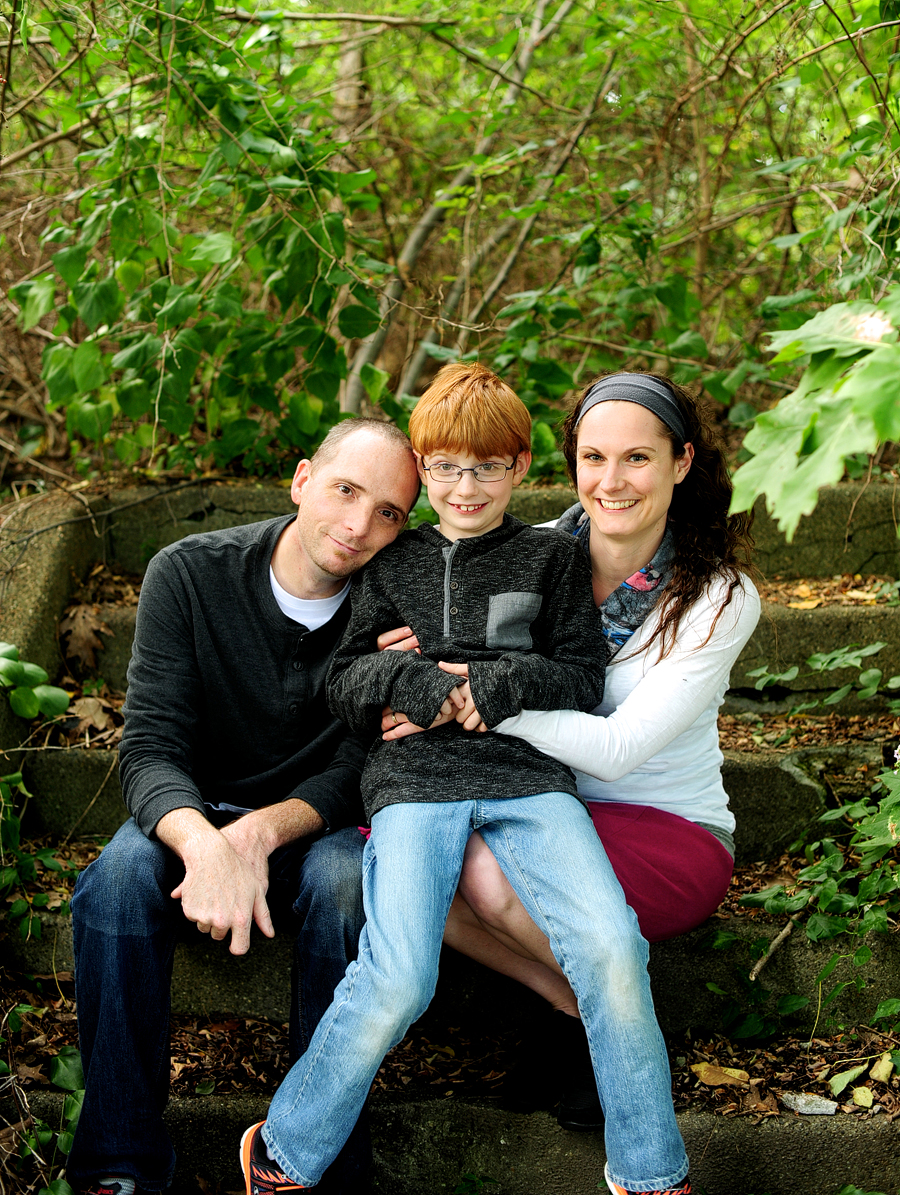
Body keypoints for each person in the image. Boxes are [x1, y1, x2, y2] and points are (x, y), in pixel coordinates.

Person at [239, 362, 691, 1195]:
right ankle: (286, 1150)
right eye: (444, 467)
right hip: (413, 785)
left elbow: (581, 676)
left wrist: (491, 685)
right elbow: (344, 682)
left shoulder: (551, 558)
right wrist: (416, 687)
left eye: (486, 467)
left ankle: (652, 1172)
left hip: (529, 782)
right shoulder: (392, 562)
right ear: (421, 467)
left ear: (520, 467)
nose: (465, 486)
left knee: (612, 947)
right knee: (402, 972)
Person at [384, 370, 761, 1152]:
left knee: (479, 868)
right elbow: (450, 648)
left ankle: (598, 1033)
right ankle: (586, 1007)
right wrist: (413, 664)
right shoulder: (534, 557)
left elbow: (620, 749)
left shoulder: (717, 596)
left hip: (663, 826)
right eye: (594, 457)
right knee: (393, 853)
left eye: (637, 458)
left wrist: (481, 693)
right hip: (535, 800)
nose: (611, 481)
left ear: (682, 462)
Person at [67, 419, 421, 1195]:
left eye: (390, 511)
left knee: (347, 886)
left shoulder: (397, 602)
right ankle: (117, 1165)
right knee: (115, 879)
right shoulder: (189, 574)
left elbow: (366, 763)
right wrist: (209, 845)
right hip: (191, 812)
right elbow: (150, 746)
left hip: (316, 826)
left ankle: (316, 1166)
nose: (360, 524)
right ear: (301, 479)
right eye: (345, 490)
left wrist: (260, 833)